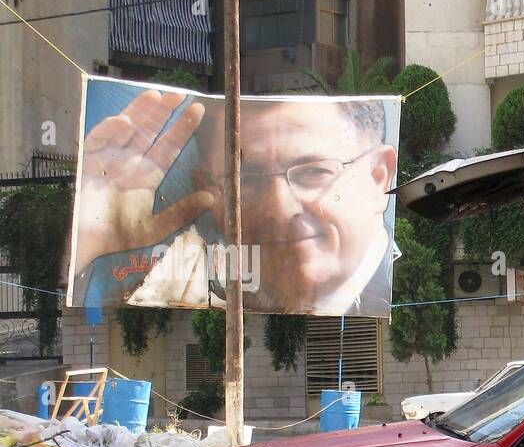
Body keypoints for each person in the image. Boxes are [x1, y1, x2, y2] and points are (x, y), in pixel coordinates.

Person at [72, 86, 398, 316]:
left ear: (378, 176)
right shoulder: (194, 283)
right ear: (210, 193)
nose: (280, 208)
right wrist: (89, 238)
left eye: (314, 172)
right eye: (248, 181)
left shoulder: (400, 292)